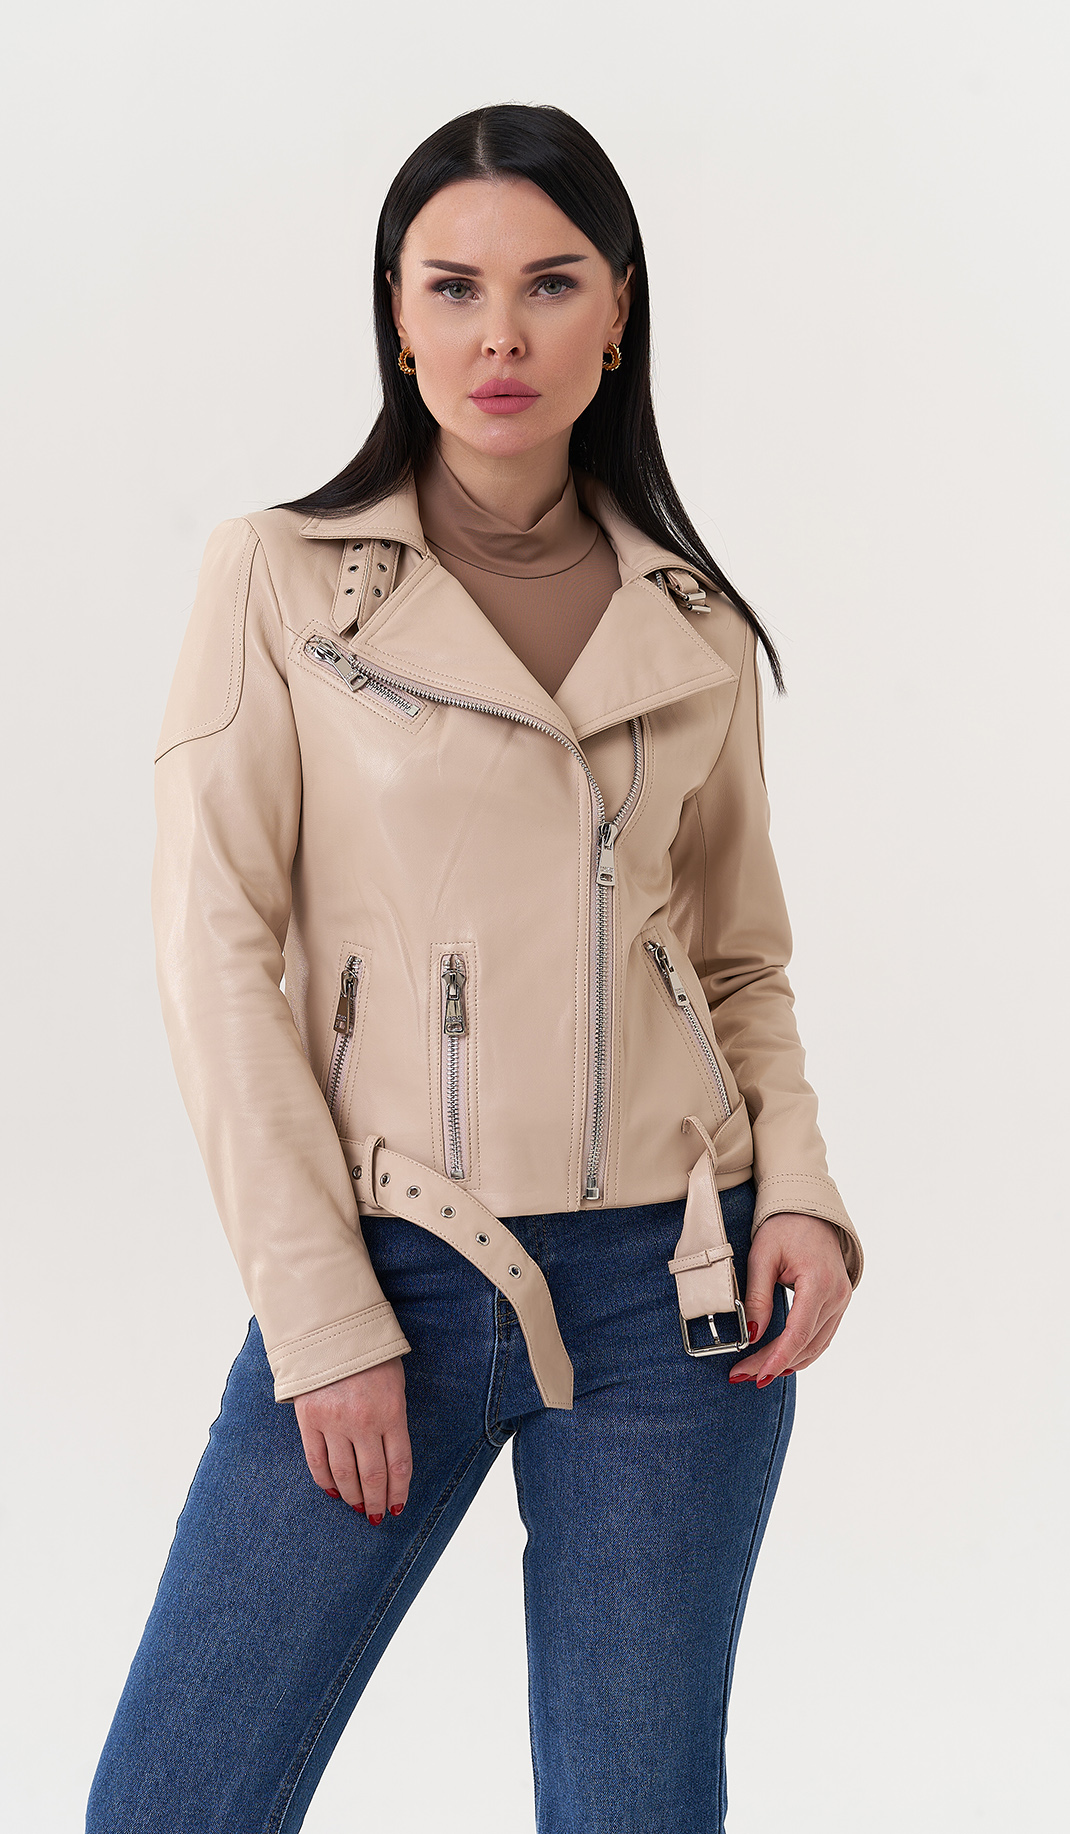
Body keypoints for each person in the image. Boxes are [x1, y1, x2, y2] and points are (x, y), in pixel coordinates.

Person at [85, 101, 864, 1834]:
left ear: (617, 312)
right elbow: (213, 950)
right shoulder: (279, 582)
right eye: (453, 286)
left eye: (548, 283)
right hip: (393, 1266)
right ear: (396, 314)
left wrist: (800, 1193)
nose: (498, 333)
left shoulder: (695, 621)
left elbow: (738, 958)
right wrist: (320, 1316)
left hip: (680, 1295)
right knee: (170, 1802)